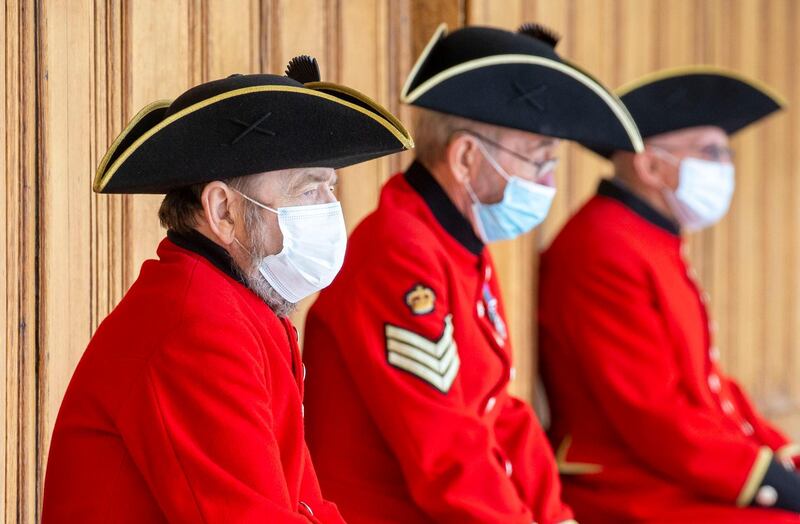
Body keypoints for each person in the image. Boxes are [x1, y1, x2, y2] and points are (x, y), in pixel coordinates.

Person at [41, 57, 412, 523]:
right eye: (308, 190)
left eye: (329, 188)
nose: (331, 209)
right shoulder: (195, 326)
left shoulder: (236, 307)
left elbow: (306, 506)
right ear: (222, 211)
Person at [302, 23, 642, 523]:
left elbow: (498, 414)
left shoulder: (454, 240)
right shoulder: (400, 251)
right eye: (537, 162)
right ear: (465, 157)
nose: (547, 183)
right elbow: (445, 452)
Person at [538, 67, 800, 524]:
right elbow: (652, 414)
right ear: (650, 165)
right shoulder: (602, 244)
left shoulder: (644, 234)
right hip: (626, 481)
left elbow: (707, 385)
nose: (724, 167)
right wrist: (767, 483)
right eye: (711, 152)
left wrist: (780, 454)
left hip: (672, 469)